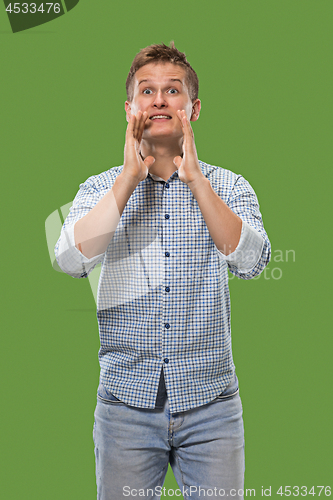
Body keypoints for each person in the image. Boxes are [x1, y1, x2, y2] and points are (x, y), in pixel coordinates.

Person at [55, 42, 271, 500]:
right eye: (146, 91)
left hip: (212, 408)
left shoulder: (231, 186)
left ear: (193, 109)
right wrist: (129, 178)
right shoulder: (99, 187)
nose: (158, 100)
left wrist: (195, 179)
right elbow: (71, 261)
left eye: (171, 91)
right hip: (124, 408)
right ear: (130, 109)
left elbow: (252, 262)